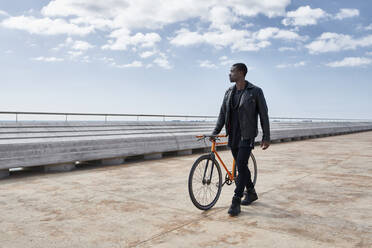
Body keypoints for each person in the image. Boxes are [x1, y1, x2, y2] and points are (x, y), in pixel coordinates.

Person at [212, 63, 270, 216]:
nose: (229, 74)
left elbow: (264, 114)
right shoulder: (228, 92)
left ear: (241, 73)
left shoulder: (255, 91)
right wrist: (215, 132)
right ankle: (251, 192)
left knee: (241, 165)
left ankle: (236, 200)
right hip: (233, 135)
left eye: (232, 71)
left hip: (247, 135)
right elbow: (222, 114)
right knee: (242, 167)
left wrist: (266, 136)